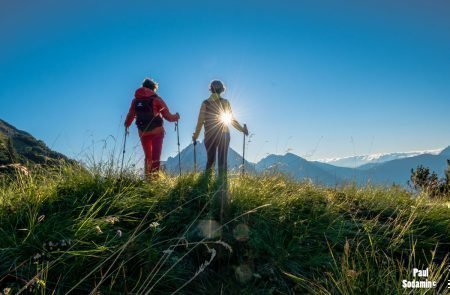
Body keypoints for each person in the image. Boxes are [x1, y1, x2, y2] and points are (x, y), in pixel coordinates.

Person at [192, 80, 248, 179]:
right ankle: (222, 185)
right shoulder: (225, 102)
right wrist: (242, 129)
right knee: (223, 160)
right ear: (222, 89)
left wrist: (195, 136)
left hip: (209, 135)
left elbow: (200, 122)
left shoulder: (205, 103)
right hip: (224, 134)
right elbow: (231, 120)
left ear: (211, 89)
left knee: (210, 160)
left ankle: (207, 183)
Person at [125, 78, 180, 176]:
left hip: (143, 132)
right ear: (153, 88)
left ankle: (148, 180)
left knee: (148, 157)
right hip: (157, 132)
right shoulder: (157, 99)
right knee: (156, 157)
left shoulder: (135, 101)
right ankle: (154, 181)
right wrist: (176, 116)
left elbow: (130, 115)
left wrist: (126, 124)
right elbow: (168, 117)